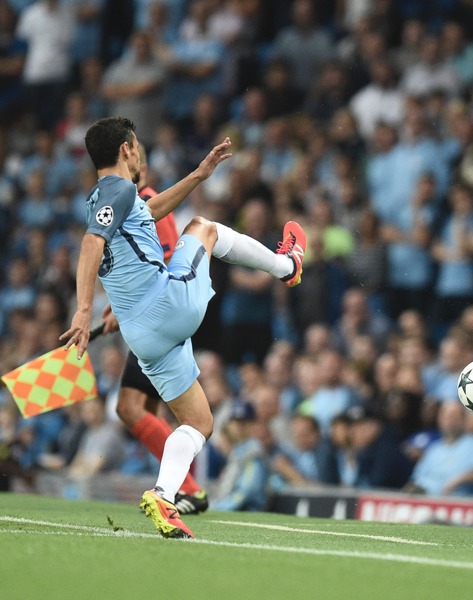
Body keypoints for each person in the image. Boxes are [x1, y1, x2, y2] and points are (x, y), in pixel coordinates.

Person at [61, 117, 306, 539]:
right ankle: (288, 266)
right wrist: (83, 310)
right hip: (168, 305)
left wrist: (197, 174)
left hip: (143, 336)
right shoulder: (118, 188)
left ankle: (164, 495)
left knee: (199, 423)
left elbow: (148, 212)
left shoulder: (102, 198)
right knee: (204, 228)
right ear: (126, 149)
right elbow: (90, 244)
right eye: (136, 146)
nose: (139, 153)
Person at [99, 142, 209, 516]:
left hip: (156, 316)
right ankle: (184, 488)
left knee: (131, 407)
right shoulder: (128, 202)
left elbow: (161, 257)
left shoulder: (145, 201)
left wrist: (119, 309)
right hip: (151, 317)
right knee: (142, 408)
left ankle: (187, 489)